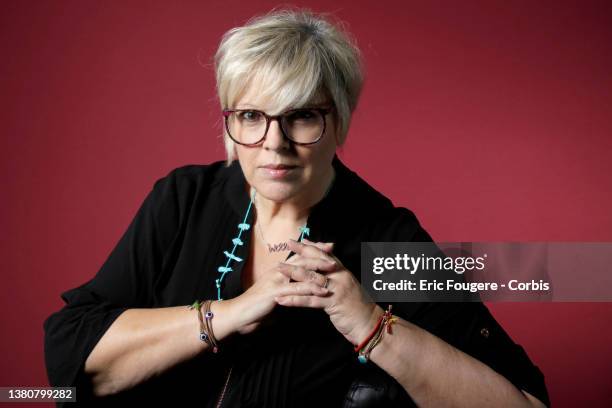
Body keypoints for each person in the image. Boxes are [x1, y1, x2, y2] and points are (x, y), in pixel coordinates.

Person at [43, 9, 550, 407]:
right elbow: (75, 355)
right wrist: (233, 312)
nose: (274, 144)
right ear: (229, 123)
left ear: (340, 121)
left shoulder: (388, 241)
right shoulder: (182, 198)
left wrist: (371, 325)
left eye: (302, 116)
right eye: (250, 116)